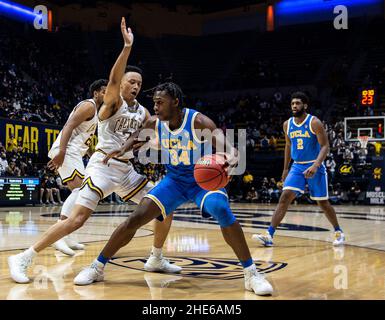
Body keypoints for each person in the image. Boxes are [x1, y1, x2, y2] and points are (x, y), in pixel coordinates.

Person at [8, 18, 179, 284]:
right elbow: (112, 77)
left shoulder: (143, 112)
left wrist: (153, 142)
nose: (135, 86)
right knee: (76, 220)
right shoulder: (111, 103)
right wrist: (126, 47)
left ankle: (156, 258)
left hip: (126, 170)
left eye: (139, 83)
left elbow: (147, 135)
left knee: (163, 207)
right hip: (101, 167)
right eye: (131, 81)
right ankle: (24, 256)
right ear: (121, 84)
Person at [73, 81, 273, 296]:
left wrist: (232, 154)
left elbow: (222, 141)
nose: (156, 107)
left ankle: (251, 274)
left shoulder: (198, 121)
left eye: (160, 102)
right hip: (174, 181)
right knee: (135, 218)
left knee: (222, 210)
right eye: (154, 103)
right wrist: (124, 147)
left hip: (201, 182)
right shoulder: (155, 121)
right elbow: (137, 134)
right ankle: (97, 266)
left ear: (175, 102)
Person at [253, 92, 345, 246]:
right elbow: (288, 146)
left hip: (314, 164)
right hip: (296, 166)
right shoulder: (287, 124)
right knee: (284, 197)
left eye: (298, 103)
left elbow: (325, 146)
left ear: (305, 105)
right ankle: (269, 234)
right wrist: (285, 169)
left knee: (322, 202)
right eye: (292, 104)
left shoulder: (314, 122)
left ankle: (338, 231)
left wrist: (316, 165)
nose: (294, 106)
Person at [46, 78, 107, 255]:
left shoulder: (98, 113)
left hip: (75, 152)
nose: (106, 94)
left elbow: (84, 139)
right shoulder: (89, 106)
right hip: (67, 150)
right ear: (96, 93)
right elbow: (69, 125)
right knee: (80, 190)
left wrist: (92, 154)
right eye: (104, 91)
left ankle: (68, 235)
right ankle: (59, 236)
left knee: (82, 193)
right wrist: (62, 151)